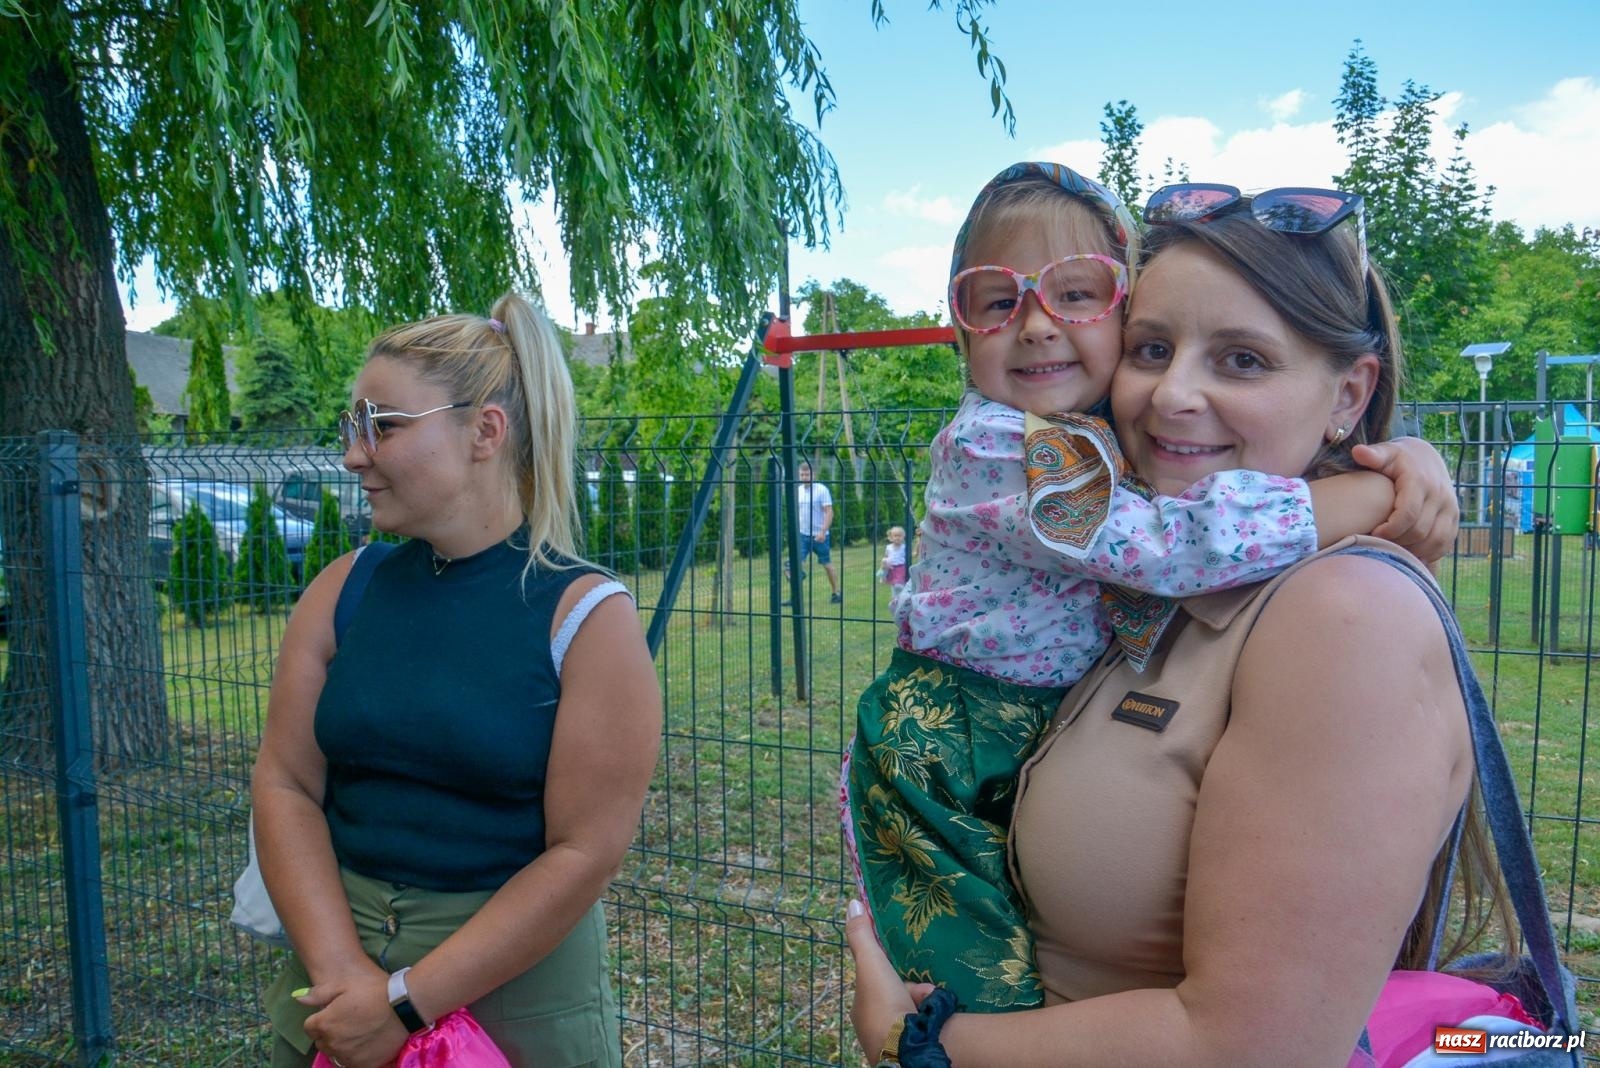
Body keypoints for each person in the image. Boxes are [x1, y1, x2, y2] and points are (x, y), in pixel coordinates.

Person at [845, 186, 1526, 1066]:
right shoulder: (1160, 565)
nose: (1171, 395)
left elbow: (1250, 1050)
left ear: (1349, 394)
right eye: (1153, 348)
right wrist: (1394, 476)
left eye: (1241, 360)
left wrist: (919, 1045)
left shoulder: (1344, 618)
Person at [251, 293, 661, 1068]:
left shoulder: (585, 619)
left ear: (486, 431)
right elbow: (285, 785)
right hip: (332, 995)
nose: (352, 454)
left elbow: (585, 852)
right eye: (352, 427)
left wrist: (405, 1001)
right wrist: (344, 975)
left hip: (512, 1010)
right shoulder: (345, 589)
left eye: (383, 425)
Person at [789, 460, 842, 603]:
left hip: (820, 535)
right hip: (803, 534)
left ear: (813, 474)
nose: (805, 477)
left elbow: (829, 512)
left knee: (826, 564)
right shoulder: (798, 490)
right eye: (802, 474)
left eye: (807, 474)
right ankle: (794, 597)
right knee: (793, 564)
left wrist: (823, 531)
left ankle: (836, 593)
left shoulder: (822, 490)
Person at [879, 525, 908, 600]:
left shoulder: (904, 547)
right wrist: (884, 564)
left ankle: (903, 594)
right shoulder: (889, 547)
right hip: (891, 568)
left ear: (903, 537)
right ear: (891, 537)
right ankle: (894, 598)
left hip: (901, 567)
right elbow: (886, 556)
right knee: (893, 584)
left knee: (898, 584)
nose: (897, 538)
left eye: (899, 536)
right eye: (895, 536)